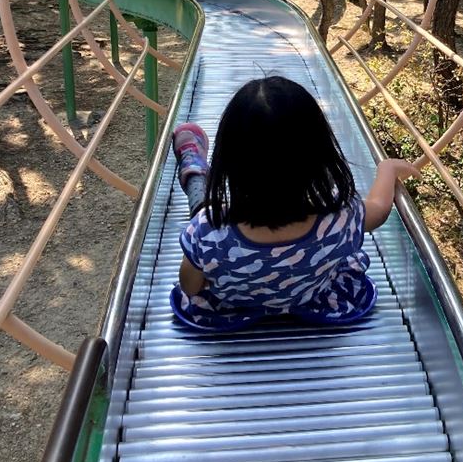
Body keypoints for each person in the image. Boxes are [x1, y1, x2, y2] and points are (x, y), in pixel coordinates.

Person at [169, 76, 420, 331]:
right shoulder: (339, 218)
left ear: (228, 163)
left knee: (202, 209)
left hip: (232, 308)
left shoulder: (208, 228)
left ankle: (194, 166)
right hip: (311, 299)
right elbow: (378, 210)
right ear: (320, 158)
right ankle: (194, 168)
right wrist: (386, 169)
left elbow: (190, 286)